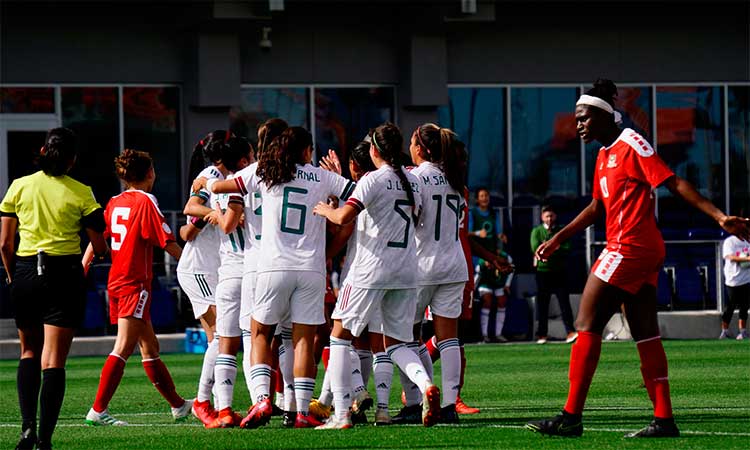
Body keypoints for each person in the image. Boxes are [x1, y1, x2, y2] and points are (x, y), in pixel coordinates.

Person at [526, 79, 750, 438]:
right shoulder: (603, 155)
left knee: (586, 323)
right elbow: (598, 207)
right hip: (637, 249)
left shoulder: (631, 142)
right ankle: (664, 419)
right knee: (645, 333)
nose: (578, 124)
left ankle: (571, 416)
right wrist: (558, 238)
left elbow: (672, 181)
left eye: (584, 118)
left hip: (629, 247)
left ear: (603, 115)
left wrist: (719, 217)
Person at [201, 126, 355, 429]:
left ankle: (261, 399)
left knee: (259, 333)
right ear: (306, 150)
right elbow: (354, 194)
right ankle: (300, 412)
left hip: (271, 265)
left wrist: (204, 182)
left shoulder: (263, 171)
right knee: (301, 341)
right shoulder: (320, 176)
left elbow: (221, 189)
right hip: (311, 268)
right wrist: (333, 207)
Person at [312, 122, 442, 429]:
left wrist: (325, 210)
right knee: (397, 344)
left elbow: (344, 216)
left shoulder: (372, 179)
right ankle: (425, 387)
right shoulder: (414, 180)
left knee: (340, 337)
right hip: (406, 270)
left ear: (374, 150)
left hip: (370, 270)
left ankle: (341, 413)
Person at [0, 128, 107, 450]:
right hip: (64, 273)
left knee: (28, 351)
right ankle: (45, 439)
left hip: (25, 272)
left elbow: (5, 244)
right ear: (72, 160)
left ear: (43, 152)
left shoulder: (19, 186)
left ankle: (26, 430)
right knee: (54, 361)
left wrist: (12, 277)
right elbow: (99, 245)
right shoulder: (81, 192)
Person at [84, 149, 191, 426]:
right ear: (150, 173)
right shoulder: (146, 201)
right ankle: (98, 410)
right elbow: (167, 241)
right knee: (123, 346)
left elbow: (99, 237)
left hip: (117, 280)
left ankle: (178, 405)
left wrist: (83, 265)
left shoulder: (114, 201)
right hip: (135, 283)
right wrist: (193, 264)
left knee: (150, 347)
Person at [177, 131, 227, 426]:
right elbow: (192, 213)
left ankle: (221, 405)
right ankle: (203, 402)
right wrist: (217, 214)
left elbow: (188, 229)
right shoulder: (211, 174)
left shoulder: (218, 178)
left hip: (210, 268)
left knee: (217, 340)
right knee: (222, 336)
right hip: (199, 269)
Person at [530, 204, 577, 344]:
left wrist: (552, 247)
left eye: (551, 216)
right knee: (543, 304)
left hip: (559, 271)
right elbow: (535, 248)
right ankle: (542, 335)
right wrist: (554, 248)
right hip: (543, 272)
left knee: (564, 303)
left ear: (555, 216)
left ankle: (570, 332)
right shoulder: (537, 231)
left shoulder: (560, 230)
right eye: (546, 216)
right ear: (542, 217)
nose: (549, 219)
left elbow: (567, 247)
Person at [469, 187, 510, 342]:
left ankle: (498, 334)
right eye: (482, 196)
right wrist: (478, 233)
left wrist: (501, 238)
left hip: (493, 258)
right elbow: (466, 233)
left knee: (500, 299)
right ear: (477, 199)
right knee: (484, 298)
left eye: (487, 195)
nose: (485, 198)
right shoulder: (473, 213)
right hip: (478, 259)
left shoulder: (494, 213)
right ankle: (483, 334)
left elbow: (498, 233)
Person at [719, 229, 749, 340]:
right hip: (733, 279)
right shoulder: (730, 241)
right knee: (731, 305)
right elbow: (730, 257)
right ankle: (724, 331)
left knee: (744, 306)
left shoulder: (747, 242)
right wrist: (746, 258)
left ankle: (742, 331)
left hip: (746, 278)